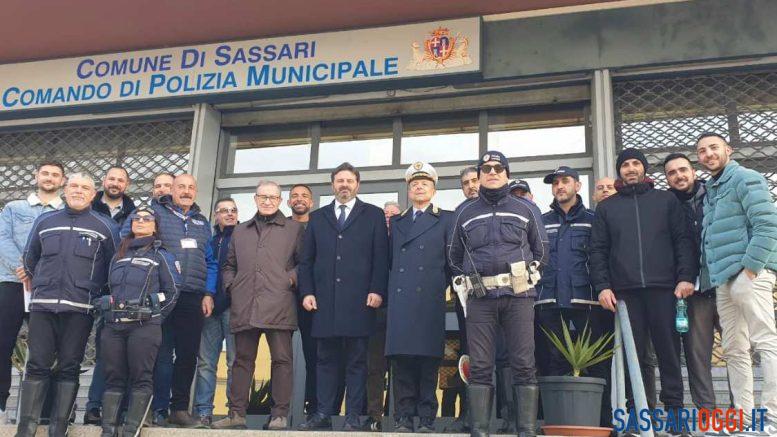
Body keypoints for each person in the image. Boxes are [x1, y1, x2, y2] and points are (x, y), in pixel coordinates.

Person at [591, 148, 696, 433]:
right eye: (625, 164)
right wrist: (602, 286)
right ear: (619, 171)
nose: (631, 168)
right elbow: (598, 251)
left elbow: (683, 241)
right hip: (625, 295)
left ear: (644, 168)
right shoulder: (607, 208)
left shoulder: (666, 200)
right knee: (632, 358)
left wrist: (685, 277)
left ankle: (676, 417)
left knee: (669, 355)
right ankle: (637, 417)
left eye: (636, 163)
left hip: (665, 290)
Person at [448, 151, 549, 437]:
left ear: (506, 173)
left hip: (519, 296)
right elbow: (453, 255)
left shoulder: (526, 209)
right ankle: (480, 430)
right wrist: (468, 279)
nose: (492, 172)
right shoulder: (464, 212)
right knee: (480, 365)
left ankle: (525, 430)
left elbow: (542, 250)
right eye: (486, 168)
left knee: (524, 364)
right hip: (480, 298)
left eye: (498, 168)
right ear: (479, 175)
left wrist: (529, 274)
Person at [15, 173, 119, 437]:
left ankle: (58, 428)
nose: (78, 191)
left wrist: (96, 295)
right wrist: (42, 283)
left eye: (85, 188)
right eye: (74, 186)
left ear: (93, 194)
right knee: (36, 364)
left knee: (69, 366)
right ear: (65, 189)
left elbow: (113, 267)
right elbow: (30, 258)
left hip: (80, 308)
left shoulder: (105, 226)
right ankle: (26, 428)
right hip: (43, 305)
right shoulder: (45, 221)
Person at [297, 162, 389, 431]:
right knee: (325, 361)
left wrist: (377, 290)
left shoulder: (373, 215)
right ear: (332, 185)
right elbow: (306, 261)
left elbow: (381, 258)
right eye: (340, 181)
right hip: (324, 302)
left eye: (349, 180)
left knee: (357, 362)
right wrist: (307, 292)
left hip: (360, 302)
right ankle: (323, 414)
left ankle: (353, 417)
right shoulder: (318, 217)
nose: (344, 185)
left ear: (357, 184)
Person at [696, 133, 777, 434]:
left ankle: (772, 419)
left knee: (766, 342)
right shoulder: (712, 190)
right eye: (702, 151)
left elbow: (768, 225)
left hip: (750, 275)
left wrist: (751, 271)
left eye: (713, 147)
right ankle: (744, 420)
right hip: (724, 280)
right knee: (734, 349)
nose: (708, 154)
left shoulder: (746, 177)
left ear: (728, 150)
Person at [213, 181, 304, 430]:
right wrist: (232, 285)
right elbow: (229, 265)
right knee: (241, 360)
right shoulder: (240, 230)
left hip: (280, 303)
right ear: (255, 199)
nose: (267, 201)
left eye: (272, 197)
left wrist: (289, 280)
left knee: (282, 360)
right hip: (246, 303)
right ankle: (236, 414)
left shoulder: (294, 229)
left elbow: (303, 263)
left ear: (280, 201)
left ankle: (279, 415)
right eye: (263, 197)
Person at [129, 174, 218, 428]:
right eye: (181, 187)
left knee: (188, 355)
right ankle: (157, 409)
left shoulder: (202, 222)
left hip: (193, 296)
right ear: (172, 190)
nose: (186, 191)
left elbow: (211, 262)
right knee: (161, 354)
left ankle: (179, 409)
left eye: (191, 187)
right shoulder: (155, 213)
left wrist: (209, 293)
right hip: (162, 293)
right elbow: (133, 239)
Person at [534, 166, 613, 427]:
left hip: (587, 301)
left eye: (565, 181)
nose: (559, 186)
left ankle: (602, 424)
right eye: (555, 182)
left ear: (577, 186)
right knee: (551, 363)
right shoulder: (541, 221)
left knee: (597, 363)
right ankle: (554, 423)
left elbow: (603, 256)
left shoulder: (594, 219)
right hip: (548, 301)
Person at [98, 206, 179, 437]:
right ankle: (108, 430)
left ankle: (130, 430)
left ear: (155, 226)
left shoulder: (161, 255)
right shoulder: (118, 255)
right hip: (114, 326)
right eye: (137, 218)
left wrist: (154, 317)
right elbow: (106, 287)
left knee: (141, 377)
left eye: (147, 218)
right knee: (113, 377)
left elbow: (172, 291)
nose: (141, 221)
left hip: (144, 327)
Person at [385, 162, 452, 433]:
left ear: (433, 190)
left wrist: (442, 288)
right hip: (401, 300)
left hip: (429, 299)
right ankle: (403, 418)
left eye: (424, 184)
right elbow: (390, 262)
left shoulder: (446, 219)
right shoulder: (397, 222)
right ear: (408, 190)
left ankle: (426, 419)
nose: (419, 187)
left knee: (427, 362)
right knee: (402, 362)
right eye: (414, 184)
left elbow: (451, 261)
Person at [0, 161, 65, 424]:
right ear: (36, 176)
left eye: (55, 175)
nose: (49, 178)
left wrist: (39, 274)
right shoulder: (14, 208)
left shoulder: (66, 212)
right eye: (45, 173)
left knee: (46, 350)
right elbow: (3, 239)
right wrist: (25, 270)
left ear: (62, 181)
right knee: (2, 343)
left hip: (48, 288)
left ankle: (40, 412)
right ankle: (1, 407)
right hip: (12, 282)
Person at [663, 152, 719, 412]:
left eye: (683, 170)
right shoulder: (665, 205)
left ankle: (742, 415)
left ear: (694, 171)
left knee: (739, 350)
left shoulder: (715, 194)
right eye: (672, 173)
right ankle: (708, 415)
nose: (679, 176)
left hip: (725, 282)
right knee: (697, 356)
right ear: (667, 178)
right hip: (692, 290)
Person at [85, 165, 137, 425]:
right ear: (103, 181)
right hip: (89, 286)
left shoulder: (135, 213)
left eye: (121, 180)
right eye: (111, 179)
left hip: (120, 289)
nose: (115, 183)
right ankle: (92, 407)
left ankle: (112, 410)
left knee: (115, 352)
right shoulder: (88, 208)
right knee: (97, 353)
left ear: (127, 185)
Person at [193, 199, 238, 426]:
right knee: (206, 363)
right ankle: (203, 412)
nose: (230, 214)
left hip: (235, 308)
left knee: (234, 362)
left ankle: (233, 413)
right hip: (210, 308)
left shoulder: (244, 238)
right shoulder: (208, 241)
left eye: (233, 210)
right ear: (215, 215)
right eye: (224, 211)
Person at [444, 166, 480, 433]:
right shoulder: (457, 214)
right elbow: (451, 255)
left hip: (502, 295)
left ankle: (505, 413)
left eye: (474, 180)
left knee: (503, 356)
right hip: (467, 296)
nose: (471, 186)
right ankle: (469, 412)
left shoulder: (503, 206)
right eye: (466, 183)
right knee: (470, 352)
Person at [362, 201, 401, 431]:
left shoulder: (404, 240)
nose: (388, 217)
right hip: (376, 312)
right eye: (385, 213)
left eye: (393, 214)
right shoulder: (371, 240)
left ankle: (397, 416)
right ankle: (374, 416)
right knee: (374, 368)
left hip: (401, 313)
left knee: (400, 368)